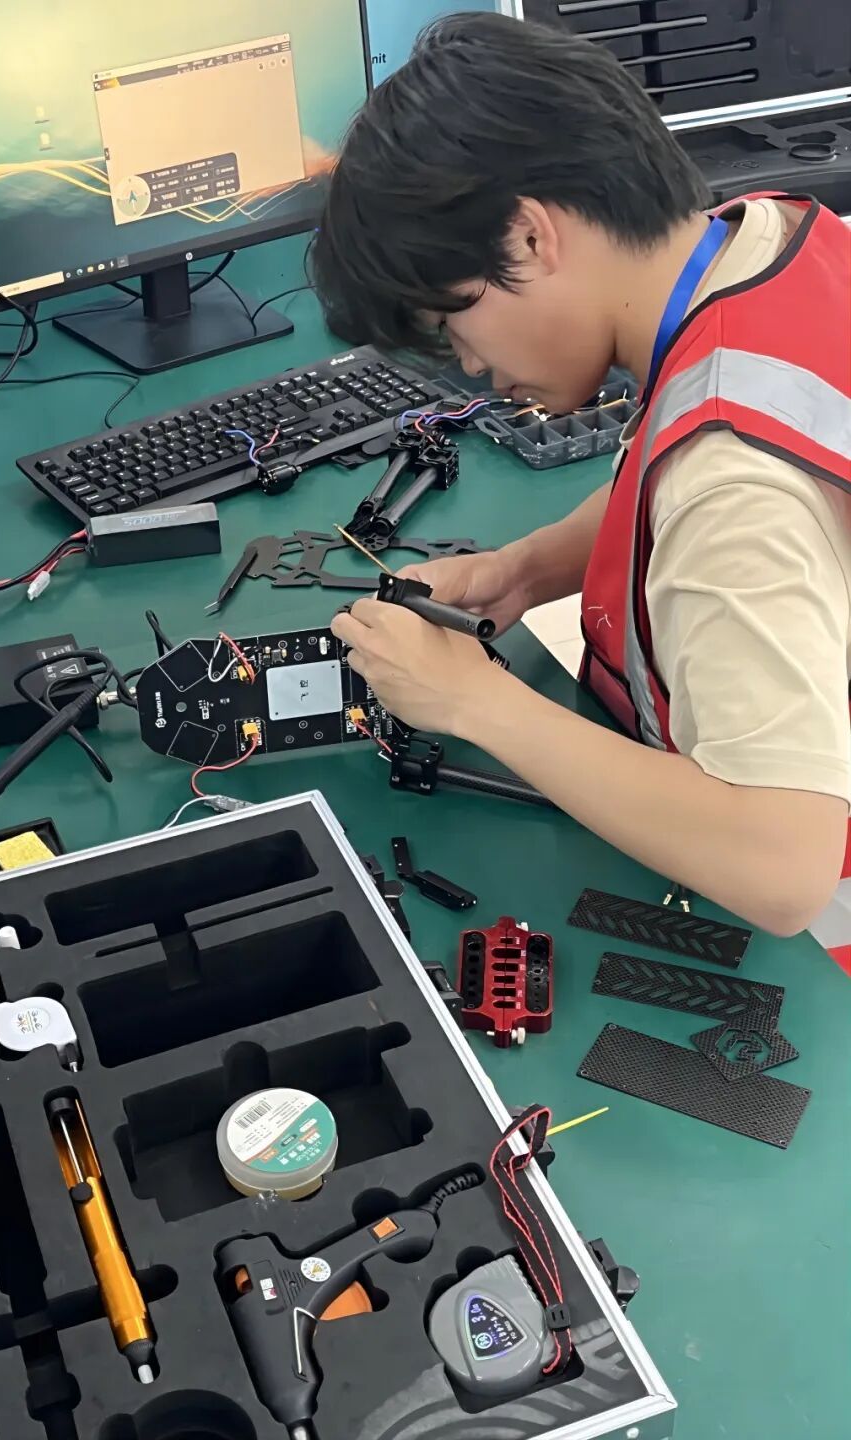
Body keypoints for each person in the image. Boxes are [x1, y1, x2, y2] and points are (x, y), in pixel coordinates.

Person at [314, 12, 851, 937]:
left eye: (451, 323)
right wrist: (521, 571)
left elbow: (783, 869)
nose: (470, 365)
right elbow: (687, 471)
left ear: (529, 238)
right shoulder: (768, 239)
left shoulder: (729, 493)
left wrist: (477, 703)